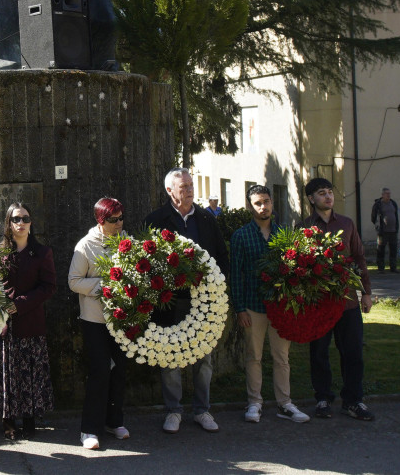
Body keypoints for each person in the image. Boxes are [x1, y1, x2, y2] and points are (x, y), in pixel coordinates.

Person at [143, 168, 229, 434]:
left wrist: (218, 291)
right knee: (170, 356)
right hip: (169, 302)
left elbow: (221, 257)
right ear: (170, 191)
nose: (190, 190)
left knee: (204, 358)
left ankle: (202, 410)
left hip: (203, 302)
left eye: (191, 185)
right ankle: (173, 411)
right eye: (184, 187)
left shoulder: (206, 218)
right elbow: (146, 263)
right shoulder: (156, 220)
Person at [229, 185, 310, 424]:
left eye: (266, 201)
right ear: (250, 206)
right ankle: (254, 402)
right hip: (253, 306)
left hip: (280, 306)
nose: (263, 206)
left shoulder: (284, 232)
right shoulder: (241, 236)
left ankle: (285, 403)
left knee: (281, 357)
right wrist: (240, 308)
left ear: (272, 203)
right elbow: (236, 275)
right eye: (257, 203)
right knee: (253, 356)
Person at [297, 178, 375, 421]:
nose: (328, 197)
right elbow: (297, 265)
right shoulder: (304, 228)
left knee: (352, 352)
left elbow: (360, 258)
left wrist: (367, 293)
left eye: (330, 192)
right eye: (322, 193)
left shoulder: (347, 224)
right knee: (319, 352)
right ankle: (323, 398)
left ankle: (354, 400)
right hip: (319, 303)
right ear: (312, 199)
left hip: (348, 301)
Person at [0, 203, 57, 440]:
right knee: (7, 371)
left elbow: (48, 287)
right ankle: (8, 419)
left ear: (31, 223)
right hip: (3, 324)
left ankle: (29, 418)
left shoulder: (42, 252)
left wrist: (20, 303)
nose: (21, 223)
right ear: (8, 223)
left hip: (30, 321)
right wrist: (2, 301)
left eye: (25, 219)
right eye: (16, 219)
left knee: (29, 372)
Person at [68, 197, 130, 450]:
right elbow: (73, 281)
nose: (119, 224)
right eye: (113, 220)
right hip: (95, 320)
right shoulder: (85, 246)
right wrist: (103, 286)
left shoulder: (128, 241)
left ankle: (114, 422)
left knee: (120, 370)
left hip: (122, 317)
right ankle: (89, 429)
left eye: (121, 218)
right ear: (101, 221)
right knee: (99, 372)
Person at [370, 187, 400, 273]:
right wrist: (378, 226)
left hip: (393, 231)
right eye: (387, 194)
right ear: (382, 195)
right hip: (382, 231)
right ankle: (381, 268)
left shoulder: (393, 203)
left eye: (389, 193)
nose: (388, 195)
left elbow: (396, 215)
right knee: (381, 250)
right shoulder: (378, 204)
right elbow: (373, 217)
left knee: (393, 249)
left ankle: (393, 267)